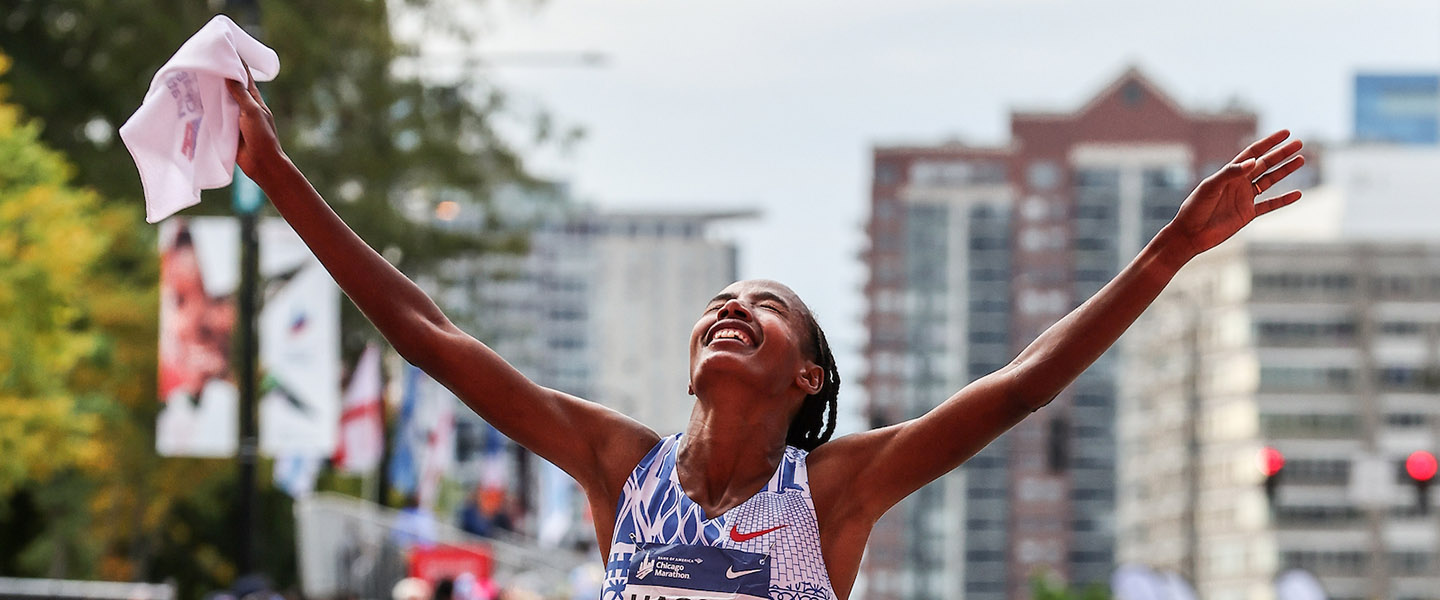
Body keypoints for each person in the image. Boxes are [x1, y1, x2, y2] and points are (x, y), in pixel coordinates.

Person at [226, 68, 1304, 600]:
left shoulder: (827, 494)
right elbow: (425, 332)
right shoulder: (620, 467)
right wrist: (277, 173)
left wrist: (1167, 250)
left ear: (807, 373)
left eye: (766, 304)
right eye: (719, 300)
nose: (732, 308)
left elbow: (1021, 387)